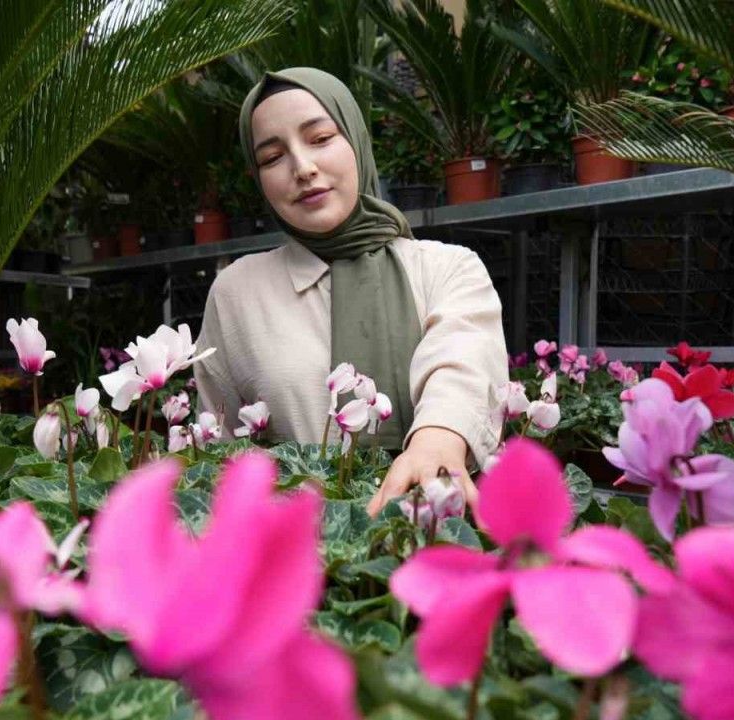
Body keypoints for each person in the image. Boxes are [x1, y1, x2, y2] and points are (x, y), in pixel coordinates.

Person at [193, 67, 508, 515]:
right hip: (295, 542)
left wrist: (438, 439)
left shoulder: (446, 268)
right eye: (273, 157)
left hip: (433, 530)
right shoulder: (236, 293)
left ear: (357, 140)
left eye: (321, 138)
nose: (303, 168)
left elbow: (463, 364)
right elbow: (217, 447)